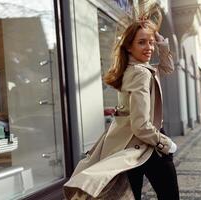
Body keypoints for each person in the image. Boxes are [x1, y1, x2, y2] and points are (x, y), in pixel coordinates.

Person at [63, 9, 179, 200]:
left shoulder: (132, 70)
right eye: (142, 42)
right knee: (170, 196)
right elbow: (141, 125)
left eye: (150, 42)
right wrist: (165, 143)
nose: (149, 47)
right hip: (148, 142)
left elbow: (167, 67)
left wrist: (158, 40)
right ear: (128, 47)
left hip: (127, 147)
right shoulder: (141, 74)